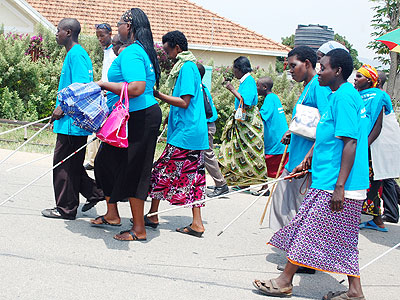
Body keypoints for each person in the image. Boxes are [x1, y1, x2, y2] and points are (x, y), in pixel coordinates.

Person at [253, 49, 369, 300]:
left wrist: (339, 186)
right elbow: (329, 137)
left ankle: (285, 280)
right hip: (328, 177)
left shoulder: (344, 98)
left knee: (306, 230)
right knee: (343, 239)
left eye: (323, 67)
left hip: (337, 183)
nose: (319, 71)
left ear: (337, 71)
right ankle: (355, 292)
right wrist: (308, 160)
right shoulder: (339, 95)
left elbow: (350, 143)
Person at [90, 8, 162, 242]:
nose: (117, 27)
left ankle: (139, 229)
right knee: (104, 161)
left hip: (140, 116)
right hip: (131, 116)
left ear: (128, 26)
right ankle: (112, 214)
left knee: (136, 171)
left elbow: (138, 88)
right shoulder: (140, 51)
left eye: (119, 22)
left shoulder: (132, 52)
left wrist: (104, 84)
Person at [146, 30, 208, 237]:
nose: (167, 54)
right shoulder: (187, 66)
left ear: (177, 48)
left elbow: (184, 101)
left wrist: (158, 95)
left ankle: (153, 214)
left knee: (161, 172)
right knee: (193, 177)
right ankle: (196, 223)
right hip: (191, 132)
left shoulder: (187, 67)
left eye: (167, 50)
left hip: (186, 133)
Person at [41, 18, 104, 220]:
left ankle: (66, 209)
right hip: (71, 123)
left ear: (68, 32)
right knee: (72, 165)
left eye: (58, 30)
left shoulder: (76, 55)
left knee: (62, 166)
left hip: (71, 124)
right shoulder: (76, 54)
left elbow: (82, 89)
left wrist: (61, 107)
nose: (56, 33)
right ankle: (96, 193)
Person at [268, 46, 330, 233]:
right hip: (295, 157)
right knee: (283, 204)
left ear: (307, 64)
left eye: (294, 66)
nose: (290, 70)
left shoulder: (319, 87)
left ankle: (297, 256)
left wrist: (309, 157)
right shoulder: (307, 87)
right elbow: (308, 121)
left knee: (297, 210)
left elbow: (327, 123)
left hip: (305, 162)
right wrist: (291, 131)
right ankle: (293, 249)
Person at [356, 65, 396, 231]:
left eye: (359, 76)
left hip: (370, 147)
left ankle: (374, 219)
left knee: (370, 183)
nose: (355, 79)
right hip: (362, 144)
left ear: (370, 80)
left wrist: (365, 146)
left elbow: (378, 125)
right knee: (371, 183)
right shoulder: (358, 95)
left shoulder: (379, 95)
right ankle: (377, 220)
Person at [218, 56, 267, 188]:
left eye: (234, 68)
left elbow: (246, 101)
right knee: (239, 152)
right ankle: (242, 182)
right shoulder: (244, 81)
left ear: (240, 69)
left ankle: (264, 184)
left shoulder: (249, 81)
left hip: (249, 123)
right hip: (241, 122)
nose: (233, 72)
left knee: (252, 152)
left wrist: (232, 89)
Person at [84, 23, 117, 172]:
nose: (100, 39)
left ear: (110, 34)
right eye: (97, 37)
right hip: (103, 94)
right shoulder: (106, 51)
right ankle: (92, 159)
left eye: (102, 36)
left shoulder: (114, 53)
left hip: (110, 95)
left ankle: (95, 160)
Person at [196, 63, 229, 198]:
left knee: (208, 155)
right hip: (207, 125)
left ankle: (221, 184)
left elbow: (206, 112)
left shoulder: (199, 89)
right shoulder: (202, 87)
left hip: (206, 126)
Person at [253, 77, 289, 195]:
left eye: (257, 86)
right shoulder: (274, 97)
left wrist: (250, 110)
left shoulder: (269, 98)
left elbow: (262, 115)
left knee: (267, 164)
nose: (256, 88)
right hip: (279, 138)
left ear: (264, 87)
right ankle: (266, 188)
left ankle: (268, 189)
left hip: (275, 140)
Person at [376, 70, 399, 224]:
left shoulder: (380, 96)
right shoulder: (379, 94)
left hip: (384, 142)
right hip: (382, 141)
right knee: (385, 176)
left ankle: (391, 213)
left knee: (385, 177)